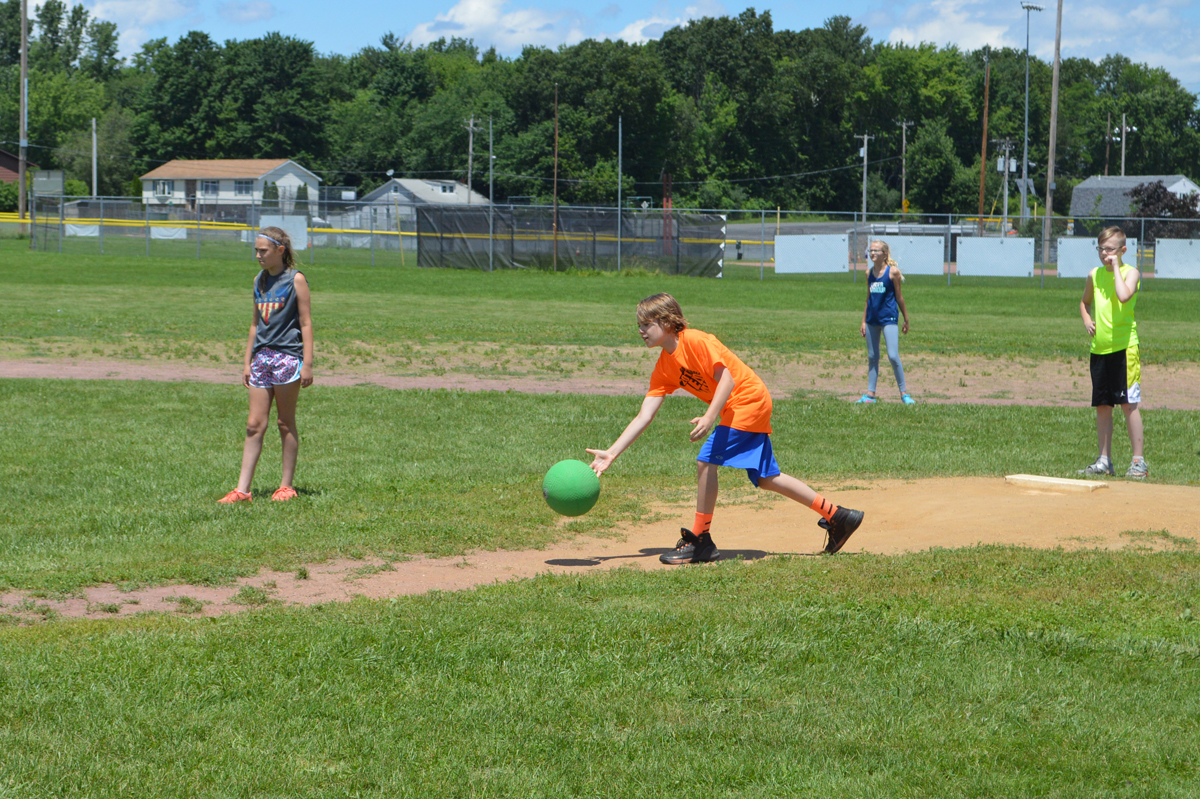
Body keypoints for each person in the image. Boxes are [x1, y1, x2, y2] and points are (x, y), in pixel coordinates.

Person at [586, 293, 864, 564]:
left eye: (646, 324)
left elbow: (727, 379)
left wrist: (709, 417)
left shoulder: (694, 340)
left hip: (748, 400)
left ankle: (700, 540)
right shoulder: (664, 366)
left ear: (668, 322)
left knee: (706, 462)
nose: (641, 331)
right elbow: (643, 416)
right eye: (639, 325)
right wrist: (612, 453)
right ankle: (838, 516)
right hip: (737, 408)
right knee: (766, 477)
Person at [219, 227, 314, 503]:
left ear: (280, 251)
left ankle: (286, 486)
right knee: (253, 424)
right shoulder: (258, 280)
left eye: (263, 251)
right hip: (262, 359)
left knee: (285, 422)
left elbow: (306, 323)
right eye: (256, 250)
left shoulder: (295, 280)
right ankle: (242, 490)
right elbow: (254, 323)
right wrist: (247, 361)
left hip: (288, 357)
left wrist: (307, 363)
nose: (258, 255)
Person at [1078, 227, 1147, 479]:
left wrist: (1116, 267)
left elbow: (1123, 295)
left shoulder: (1132, 273)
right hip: (1100, 350)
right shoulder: (1094, 275)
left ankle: (1138, 461)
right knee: (1103, 406)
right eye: (1101, 249)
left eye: (1110, 249)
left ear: (1123, 250)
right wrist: (1086, 318)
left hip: (1124, 349)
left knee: (1128, 405)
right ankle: (1104, 460)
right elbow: (1084, 302)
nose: (1105, 254)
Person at [856, 240, 914, 404]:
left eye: (876, 251)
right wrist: (863, 321)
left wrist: (906, 319)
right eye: (871, 250)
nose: (872, 253)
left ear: (885, 254)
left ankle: (904, 394)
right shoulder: (868, 273)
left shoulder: (892, 273)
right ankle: (870, 395)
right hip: (872, 319)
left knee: (893, 355)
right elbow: (868, 298)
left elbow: (899, 297)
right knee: (873, 356)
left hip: (888, 318)